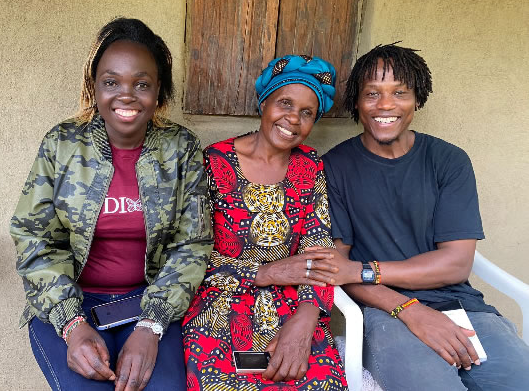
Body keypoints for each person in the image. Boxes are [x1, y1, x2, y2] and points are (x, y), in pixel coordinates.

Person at [10, 17, 213, 391]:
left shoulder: (180, 149)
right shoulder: (63, 145)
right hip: (72, 303)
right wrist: (72, 325)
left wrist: (152, 325)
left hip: (153, 302)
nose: (126, 95)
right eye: (111, 82)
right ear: (95, 87)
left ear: (159, 92)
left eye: (142, 84)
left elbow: (192, 245)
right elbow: (34, 238)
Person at [321, 43, 529, 390]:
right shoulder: (334, 167)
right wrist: (411, 310)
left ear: (417, 99)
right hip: (383, 312)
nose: (385, 105)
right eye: (372, 93)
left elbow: (456, 265)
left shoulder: (448, 160)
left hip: (463, 305)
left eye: (399, 92)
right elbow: (337, 269)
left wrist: (364, 269)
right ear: (356, 102)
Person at [182, 55, 348, 390]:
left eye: (307, 113)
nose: (293, 119)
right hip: (220, 303)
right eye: (285, 103)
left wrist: (305, 320)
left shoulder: (310, 165)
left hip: (293, 303)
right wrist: (264, 272)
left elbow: (319, 250)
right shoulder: (213, 163)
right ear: (264, 103)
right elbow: (190, 255)